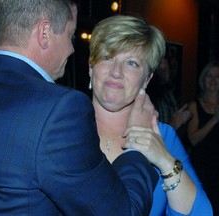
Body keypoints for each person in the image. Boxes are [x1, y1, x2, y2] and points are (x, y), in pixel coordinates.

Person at [0, 0, 159, 215]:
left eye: (131, 63)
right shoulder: (60, 111)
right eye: (70, 35)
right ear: (44, 33)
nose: (72, 49)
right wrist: (138, 148)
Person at [88, 15, 212, 215]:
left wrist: (163, 159)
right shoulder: (62, 126)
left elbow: (202, 213)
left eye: (131, 63)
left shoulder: (163, 136)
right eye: (107, 57)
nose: (116, 71)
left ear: (146, 79)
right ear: (91, 68)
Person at [188, 61, 219, 215]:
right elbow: (193, 139)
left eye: (217, 76)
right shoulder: (195, 105)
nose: (213, 80)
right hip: (201, 168)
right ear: (203, 80)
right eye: (209, 75)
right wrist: (214, 120)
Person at [147, 55, 191, 130]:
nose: (163, 74)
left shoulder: (168, 94)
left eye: (165, 70)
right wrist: (173, 124)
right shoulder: (146, 95)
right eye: (160, 70)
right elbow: (148, 133)